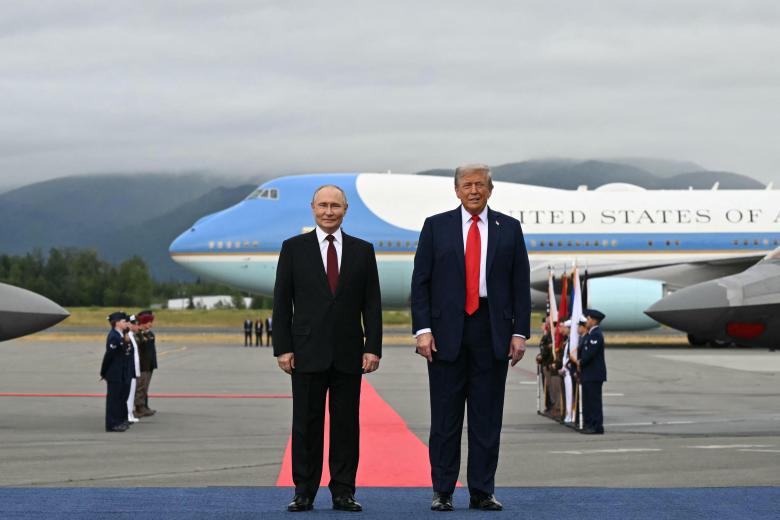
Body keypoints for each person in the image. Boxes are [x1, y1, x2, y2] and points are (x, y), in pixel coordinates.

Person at [411, 164, 531, 512]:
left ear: (490, 190)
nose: (474, 190)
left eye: (480, 184)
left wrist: (519, 332)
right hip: (445, 334)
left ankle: (482, 490)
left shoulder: (508, 228)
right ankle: (443, 490)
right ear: (457, 190)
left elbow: (518, 286)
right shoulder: (436, 227)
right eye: (467, 185)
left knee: (487, 418)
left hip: (491, 331)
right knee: (445, 419)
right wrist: (422, 330)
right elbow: (421, 283)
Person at [273, 184, 382, 512]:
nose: (329, 211)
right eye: (323, 205)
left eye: (335, 205)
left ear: (346, 209)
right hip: (305, 352)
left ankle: (343, 491)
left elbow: (372, 303)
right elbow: (282, 302)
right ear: (313, 208)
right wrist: (283, 347)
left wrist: (373, 347)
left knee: (346, 425)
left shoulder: (363, 250)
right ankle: (303, 491)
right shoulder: (293, 249)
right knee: (305, 424)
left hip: (350, 353)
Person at [100, 312, 133, 432]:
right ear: (117, 323)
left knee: (120, 398)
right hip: (114, 373)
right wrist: (104, 372)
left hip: (121, 372)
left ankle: (120, 421)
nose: (126, 323)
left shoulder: (121, 335)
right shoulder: (113, 336)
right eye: (124, 321)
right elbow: (109, 356)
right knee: (113, 400)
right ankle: (112, 424)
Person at [577, 309, 607, 434]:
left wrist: (580, 361)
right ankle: (589, 424)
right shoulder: (590, 334)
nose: (587, 321)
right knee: (588, 401)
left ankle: (596, 426)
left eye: (588, 319)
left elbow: (589, 354)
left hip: (594, 374)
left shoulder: (596, 335)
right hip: (588, 373)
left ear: (594, 321)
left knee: (594, 402)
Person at [134, 310, 157, 417]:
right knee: (140, 387)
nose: (151, 324)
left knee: (145, 387)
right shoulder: (137, 335)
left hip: (149, 364)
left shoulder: (150, 334)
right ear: (143, 322)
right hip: (142, 365)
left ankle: (143, 406)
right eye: (149, 321)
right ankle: (139, 408)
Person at [126, 315, 142, 423]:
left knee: (132, 393)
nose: (138, 326)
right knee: (128, 394)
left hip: (134, 370)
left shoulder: (132, 336)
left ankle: (130, 413)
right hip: (129, 370)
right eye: (136, 324)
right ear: (130, 324)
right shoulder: (127, 336)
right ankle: (127, 414)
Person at [558, 320, 574, 423]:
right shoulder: (568, 340)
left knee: (571, 394)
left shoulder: (573, 340)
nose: (562, 329)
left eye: (564, 327)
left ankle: (572, 416)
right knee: (568, 395)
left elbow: (571, 356)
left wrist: (565, 367)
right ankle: (568, 415)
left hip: (569, 371)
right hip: (566, 371)